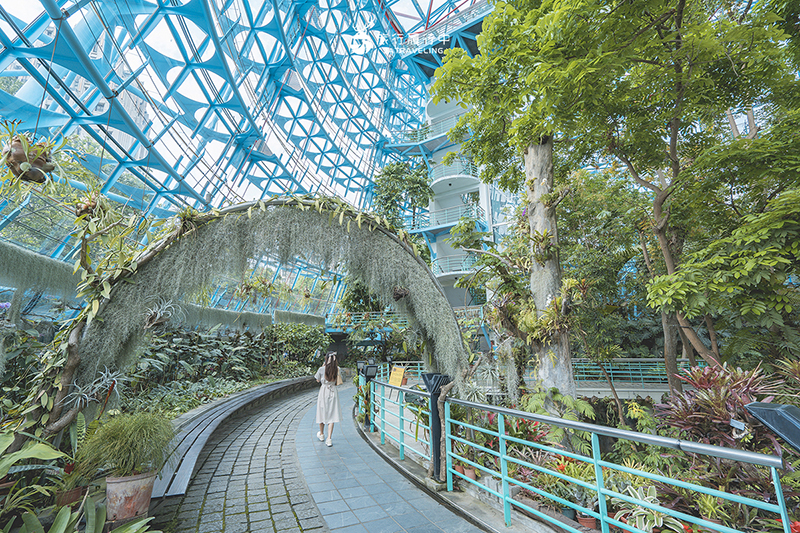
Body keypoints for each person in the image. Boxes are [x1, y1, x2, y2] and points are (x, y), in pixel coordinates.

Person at [314, 352, 341, 446]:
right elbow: (337, 381)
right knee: (332, 414)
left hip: (324, 391)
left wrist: (323, 366)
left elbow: (317, 379)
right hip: (333, 391)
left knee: (322, 412)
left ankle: (321, 434)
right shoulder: (337, 369)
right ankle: (329, 438)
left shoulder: (322, 369)